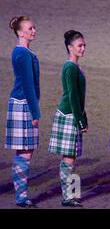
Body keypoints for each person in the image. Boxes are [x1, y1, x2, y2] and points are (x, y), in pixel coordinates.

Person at [48, 30, 88, 207]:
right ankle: (67, 196)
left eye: (84, 45)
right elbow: (72, 96)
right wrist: (80, 120)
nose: (83, 48)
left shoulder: (74, 66)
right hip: (69, 115)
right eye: (80, 45)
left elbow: (78, 97)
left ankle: (70, 195)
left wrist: (83, 117)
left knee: (71, 157)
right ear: (69, 47)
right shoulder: (70, 67)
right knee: (69, 158)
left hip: (73, 114)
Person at [6, 16, 40, 208]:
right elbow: (28, 84)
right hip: (23, 104)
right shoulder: (23, 53)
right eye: (29, 28)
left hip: (22, 103)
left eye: (34, 27)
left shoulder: (23, 52)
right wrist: (35, 112)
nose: (33, 31)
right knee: (25, 151)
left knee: (25, 150)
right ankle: (21, 197)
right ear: (20, 32)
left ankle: (21, 195)